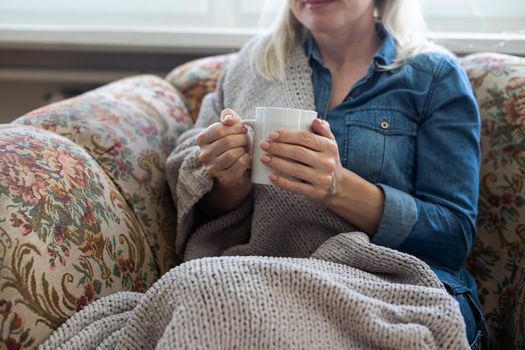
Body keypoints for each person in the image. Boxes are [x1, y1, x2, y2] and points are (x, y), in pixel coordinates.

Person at [167, 0, 489, 348]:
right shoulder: (252, 66)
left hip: (394, 287)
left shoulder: (432, 76)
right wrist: (228, 181)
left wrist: (338, 187)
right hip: (272, 276)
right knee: (204, 286)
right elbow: (199, 193)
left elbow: (453, 236)